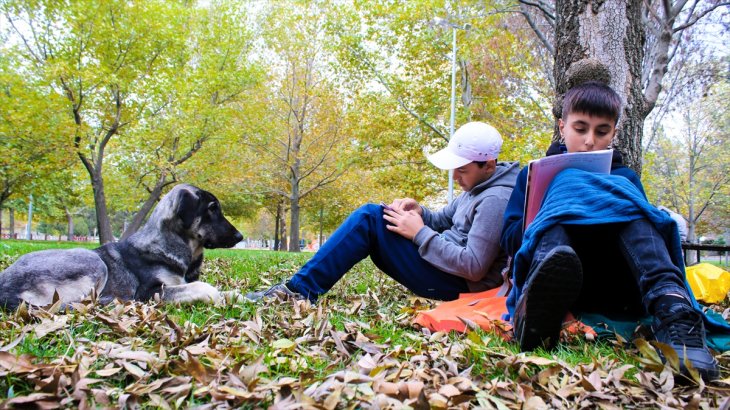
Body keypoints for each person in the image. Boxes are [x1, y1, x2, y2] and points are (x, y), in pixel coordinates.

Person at [500, 81, 726, 381]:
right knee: (563, 194)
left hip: (620, 283)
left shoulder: (625, 177)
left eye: (602, 131)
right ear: (562, 126)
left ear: (614, 133)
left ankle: (675, 313)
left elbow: (645, 239)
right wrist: (545, 214)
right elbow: (508, 239)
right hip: (558, 279)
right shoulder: (532, 176)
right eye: (580, 128)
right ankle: (537, 316)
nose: (590, 141)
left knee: (639, 214)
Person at [246, 122, 519, 303]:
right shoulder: (479, 185)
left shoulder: (496, 198)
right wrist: (420, 211)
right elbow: (445, 220)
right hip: (444, 266)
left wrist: (419, 233)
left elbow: (473, 267)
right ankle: (299, 289)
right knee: (377, 215)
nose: (456, 176)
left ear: (489, 165)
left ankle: (297, 292)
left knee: (369, 219)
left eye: (463, 170)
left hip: (457, 283)